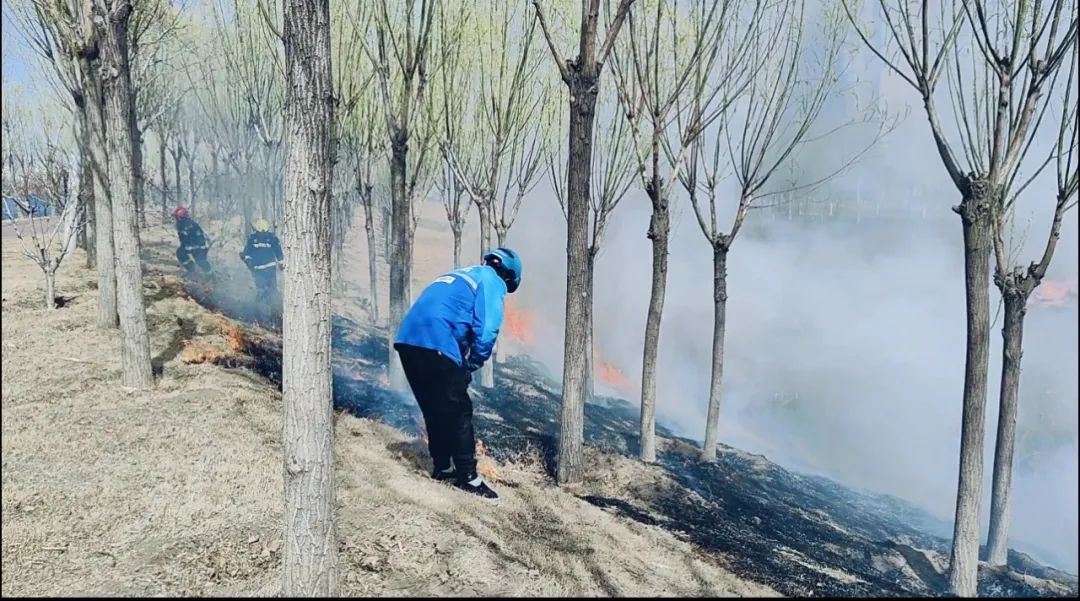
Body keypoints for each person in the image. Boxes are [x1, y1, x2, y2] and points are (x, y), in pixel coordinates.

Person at [393, 247, 523, 501]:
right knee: (459, 411)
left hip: (407, 340)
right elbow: (487, 329)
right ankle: (469, 478)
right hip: (437, 342)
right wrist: (472, 363)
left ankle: (443, 467)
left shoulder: (459, 275)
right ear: (508, 276)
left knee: (433, 407)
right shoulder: (492, 280)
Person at [173, 206, 213, 277]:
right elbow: (184, 239)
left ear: (180, 217)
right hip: (192, 246)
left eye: (177, 217)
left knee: (200, 260)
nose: (176, 219)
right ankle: (192, 270)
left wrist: (192, 247)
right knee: (181, 253)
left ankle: (210, 275)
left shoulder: (188, 225)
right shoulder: (182, 224)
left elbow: (196, 237)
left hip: (200, 246)